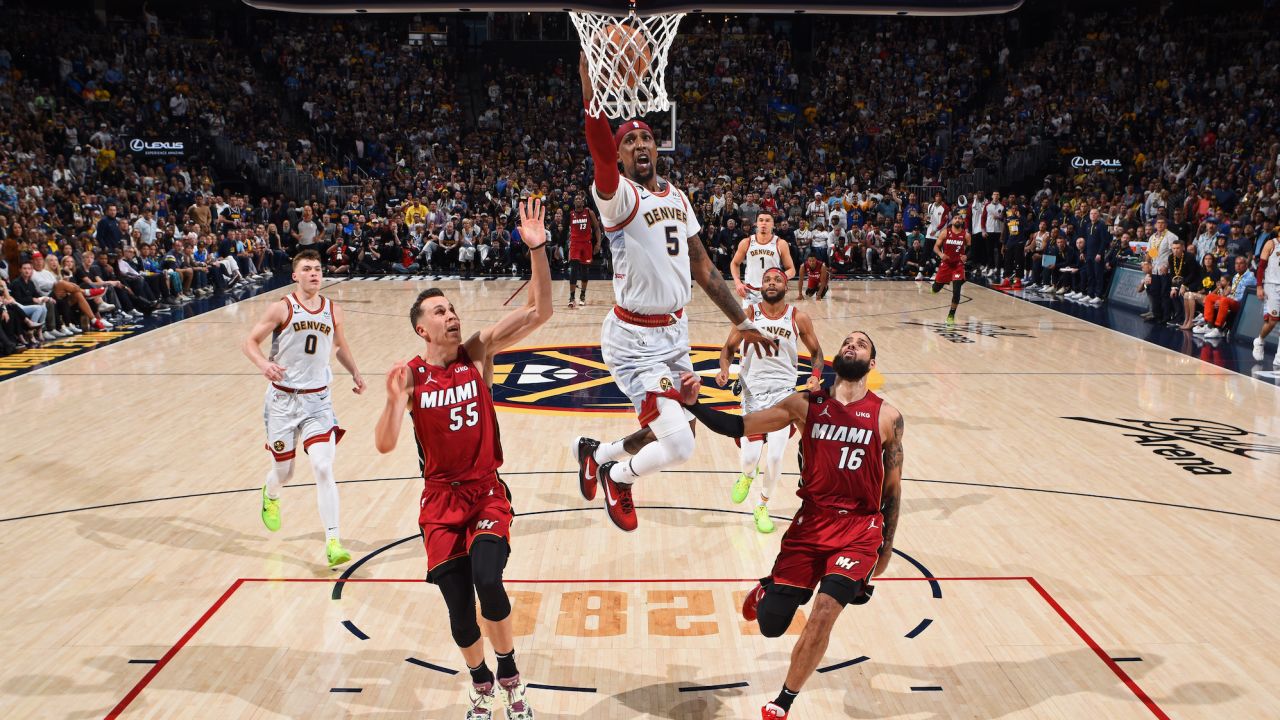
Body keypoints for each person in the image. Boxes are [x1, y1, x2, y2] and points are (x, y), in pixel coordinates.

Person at [571, 55, 775, 532]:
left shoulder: (678, 197)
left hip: (673, 334)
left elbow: (703, 267)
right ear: (621, 157)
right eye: (629, 141)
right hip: (633, 339)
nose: (639, 144)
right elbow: (598, 150)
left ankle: (596, 454)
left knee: (677, 430)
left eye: (645, 137)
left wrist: (742, 322)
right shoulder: (618, 195)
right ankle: (618, 478)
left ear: (656, 148)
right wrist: (589, 92)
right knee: (680, 444)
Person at [373, 199, 551, 720]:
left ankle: (511, 676)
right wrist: (390, 403)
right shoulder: (410, 376)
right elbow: (384, 445)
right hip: (440, 501)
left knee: (489, 579)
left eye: (452, 308)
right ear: (421, 329)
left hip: (486, 491)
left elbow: (541, 311)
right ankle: (480, 684)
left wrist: (537, 250)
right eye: (439, 312)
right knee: (458, 613)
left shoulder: (478, 353)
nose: (451, 316)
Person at [677, 330, 903, 720]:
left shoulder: (888, 417)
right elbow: (738, 427)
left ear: (872, 363)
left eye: (861, 344)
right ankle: (769, 588)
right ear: (836, 357)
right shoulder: (803, 404)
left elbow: (894, 490)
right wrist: (694, 406)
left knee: (824, 612)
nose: (851, 345)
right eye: (847, 341)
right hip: (811, 525)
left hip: (859, 530)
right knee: (771, 627)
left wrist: (884, 551)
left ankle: (783, 701)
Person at [240, 249, 367, 567]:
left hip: (317, 401)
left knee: (323, 467)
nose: (314, 273)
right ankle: (270, 493)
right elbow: (249, 342)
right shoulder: (281, 308)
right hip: (282, 400)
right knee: (285, 471)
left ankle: (333, 541)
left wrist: (355, 371)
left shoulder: (332, 310)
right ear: (295, 275)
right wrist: (262, 366)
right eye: (307, 269)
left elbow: (340, 346)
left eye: (318, 269)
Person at [716, 267, 825, 533]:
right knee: (750, 458)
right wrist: (723, 369)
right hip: (753, 393)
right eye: (767, 280)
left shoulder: (799, 318)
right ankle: (747, 475)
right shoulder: (748, 316)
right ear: (761, 286)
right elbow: (728, 350)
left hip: (784, 395)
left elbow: (817, 353)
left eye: (777, 279)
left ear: (786, 286)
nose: (772, 283)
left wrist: (815, 376)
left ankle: (762, 505)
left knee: (776, 457)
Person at [732, 211, 796, 308]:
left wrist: (780, 278)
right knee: (748, 323)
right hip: (750, 292)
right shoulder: (746, 242)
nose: (764, 223)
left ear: (773, 224)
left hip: (772, 292)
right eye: (761, 220)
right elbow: (735, 263)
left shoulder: (781, 243)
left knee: (771, 323)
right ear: (756, 223)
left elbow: (791, 270)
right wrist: (737, 282)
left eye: (767, 220)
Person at [1200, 255, 1255, 339]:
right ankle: (1209, 325)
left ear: (1246, 265)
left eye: (1241, 263)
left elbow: (1243, 296)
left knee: (1224, 301)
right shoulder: (1236, 276)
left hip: (1242, 304)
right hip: (1232, 299)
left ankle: (1218, 329)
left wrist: (1225, 299)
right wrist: (1223, 298)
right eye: (1236, 263)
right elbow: (1233, 293)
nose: (1238, 265)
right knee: (1210, 297)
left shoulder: (1250, 278)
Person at [931, 215, 970, 325]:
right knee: (936, 289)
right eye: (956, 218)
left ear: (962, 221)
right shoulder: (945, 232)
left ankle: (951, 315)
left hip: (958, 265)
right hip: (946, 264)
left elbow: (971, 249)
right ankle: (937, 286)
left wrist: (966, 256)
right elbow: (935, 247)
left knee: (956, 291)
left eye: (960, 218)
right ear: (952, 221)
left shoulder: (966, 235)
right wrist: (940, 254)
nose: (958, 219)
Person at [567, 194, 599, 308]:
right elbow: (566, 231)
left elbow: (596, 228)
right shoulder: (570, 214)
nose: (578, 199)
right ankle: (571, 297)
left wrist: (598, 243)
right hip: (575, 244)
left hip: (587, 244)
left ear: (583, 201)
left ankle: (582, 295)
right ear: (574, 202)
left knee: (585, 271)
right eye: (576, 198)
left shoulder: (589, 212)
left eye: (580, 198)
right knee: (574, 270)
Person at [1254, 236, 1279, 365]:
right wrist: (1259, 286)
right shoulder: (1271, 243)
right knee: (1273, 321)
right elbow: (1261, 267)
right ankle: (1260, 340)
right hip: (1272, 285)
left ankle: (1279, 357)